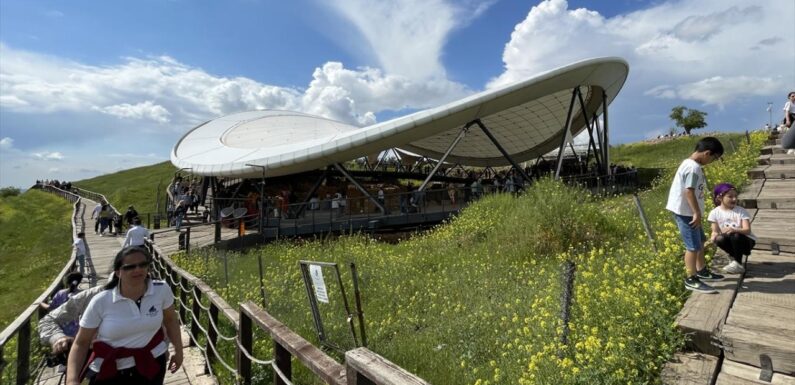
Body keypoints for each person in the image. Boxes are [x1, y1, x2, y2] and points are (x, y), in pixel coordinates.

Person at [66, 247, 182, 385]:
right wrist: (72, 379)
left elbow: (170, 320)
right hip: (111, 369)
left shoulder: (161, 289)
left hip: (151, 363)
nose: (137, 269)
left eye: (143, 264)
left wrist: (179, 351)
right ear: (118, 272)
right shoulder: (101, 301)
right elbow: (81, 342)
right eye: (130, 267)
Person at [666, 136, 725, 294]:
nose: (712, 161)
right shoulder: (693, 168)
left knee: (699, 241)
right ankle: (690, 279)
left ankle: (702, 270)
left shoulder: (689, 164)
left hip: (688, 211)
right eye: (714, 158)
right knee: (692, 246)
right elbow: (689, 191)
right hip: (687, 213)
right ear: (707, 153)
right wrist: (696, 213)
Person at [708, 183, 756, 274]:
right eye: (730, 196)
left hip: (746, 242)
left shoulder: (741, 211)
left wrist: (734, 229)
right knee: (719, 239)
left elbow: (747, 230)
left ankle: (737, 263)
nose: (734, 199)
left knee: (735, 235)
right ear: (719, 198)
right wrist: (713, 237)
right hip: (731, 242)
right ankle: (734, 259)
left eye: (735, 196)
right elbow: (715, 231)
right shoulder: (714, 213)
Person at [40, 272, 84, 339]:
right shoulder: (83, 294)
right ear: (79, 282)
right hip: (78, 329)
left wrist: (41, 303)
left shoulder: (60, 293)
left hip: (62, 329)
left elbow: (51, 308)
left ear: (67, 282)